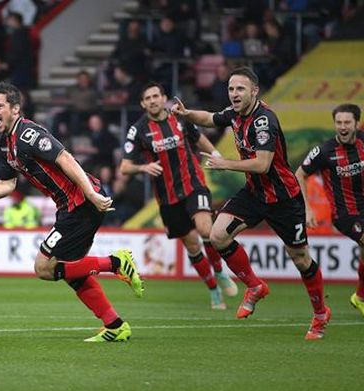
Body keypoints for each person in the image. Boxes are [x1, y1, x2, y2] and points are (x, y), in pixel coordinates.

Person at [0, 82, 143, 342]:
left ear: (15, 109)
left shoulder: (28, 134)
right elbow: (7, 183)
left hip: (81, 202)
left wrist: (91, 194)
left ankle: (116, 263)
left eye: (0, 106)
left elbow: (65, 158)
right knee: (73, 272)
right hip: (69, 206)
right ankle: (115, 325)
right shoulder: (5, 144)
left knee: (44, 267)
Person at [171, 66, 331, 340]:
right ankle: (255, 286)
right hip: (255, 194)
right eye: (231, 89)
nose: (234, 93)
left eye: (240, 89)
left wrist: (225, 164)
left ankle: (320, 314)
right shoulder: (235, 114)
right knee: (217, 235)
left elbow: (262, 163)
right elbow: (210, 118)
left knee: (301, 259)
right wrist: (187, 114)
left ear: (254, 91)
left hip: (283, 198)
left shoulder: (263, 121)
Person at [120, 82, 237, 310]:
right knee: (192, 246)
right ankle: (213, 290)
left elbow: (198, 138)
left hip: (193, 184)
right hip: (167, 197)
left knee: (205, 230)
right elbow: (125, 167)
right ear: (143, 104)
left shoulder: (180, 118)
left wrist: (215, 153)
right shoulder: (138, 130)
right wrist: (143, 168)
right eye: (148, 98)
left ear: (164, 98)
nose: (153, 100)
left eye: (156, 95)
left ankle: (221, 273)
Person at [295, 104, 364, 317]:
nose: (342, 127)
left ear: (356, 124)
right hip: (344, 214)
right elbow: (299, 174)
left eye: (347, 123)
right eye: (338, 123)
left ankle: (360, 297)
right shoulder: (324, 150)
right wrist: (307, 209)